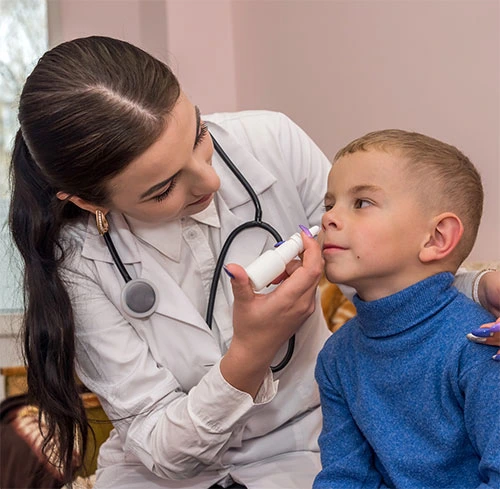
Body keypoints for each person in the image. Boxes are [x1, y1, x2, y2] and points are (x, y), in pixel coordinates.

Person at [8, 36, 500, 489]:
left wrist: (483, 286)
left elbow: (387, 265)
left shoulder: (269, 142)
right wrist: (250, 353)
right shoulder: (77, 261)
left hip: (299, 447)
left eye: (199, 135)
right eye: (163, 188)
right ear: (91, 202)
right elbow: (161, 446)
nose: (210, 182)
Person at [314, 130, 500, 489]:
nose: (328, 219)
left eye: (362, 202)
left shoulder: (480, 346)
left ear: (436, 238)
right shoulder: (336, 356)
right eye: (329, 204)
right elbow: (344, 477)